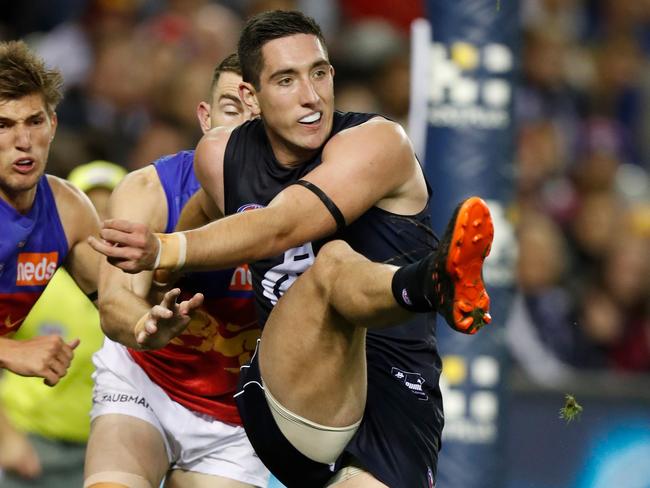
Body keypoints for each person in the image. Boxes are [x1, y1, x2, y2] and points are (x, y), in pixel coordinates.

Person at [90, 11, 494, 488]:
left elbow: (282, 224)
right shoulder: (219, 157)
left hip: (396, 391)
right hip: (290, 391)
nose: (311, 96)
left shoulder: (378, 142)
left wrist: (167, 250)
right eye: (286, 80)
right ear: (251, 97)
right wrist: (165, 277)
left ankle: (432, 281)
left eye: (319, 73)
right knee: (333, 264)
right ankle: (432, 281)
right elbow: (202, 216)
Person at [84, 54, 268, 488]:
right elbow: (113, 301)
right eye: (230, 109)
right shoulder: (148, 188)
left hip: (237, 412)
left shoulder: (307, 205)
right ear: (205, 118)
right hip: (145, 380)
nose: (243, 129)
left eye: (258, 115)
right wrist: (145, 322)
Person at [0, 161, 126, 488]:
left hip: (107, 444)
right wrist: (5, 437)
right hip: (31, 444)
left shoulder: (126, 290)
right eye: (91, 205)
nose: (99, 221)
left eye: (107, 209)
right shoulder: (33, 277)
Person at [0, 40, 100, 386]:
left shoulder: (68, 209)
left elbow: (119, 305)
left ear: (53, 125)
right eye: (3, 125)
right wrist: (9, 350)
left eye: (34, 121)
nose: (23, 141)